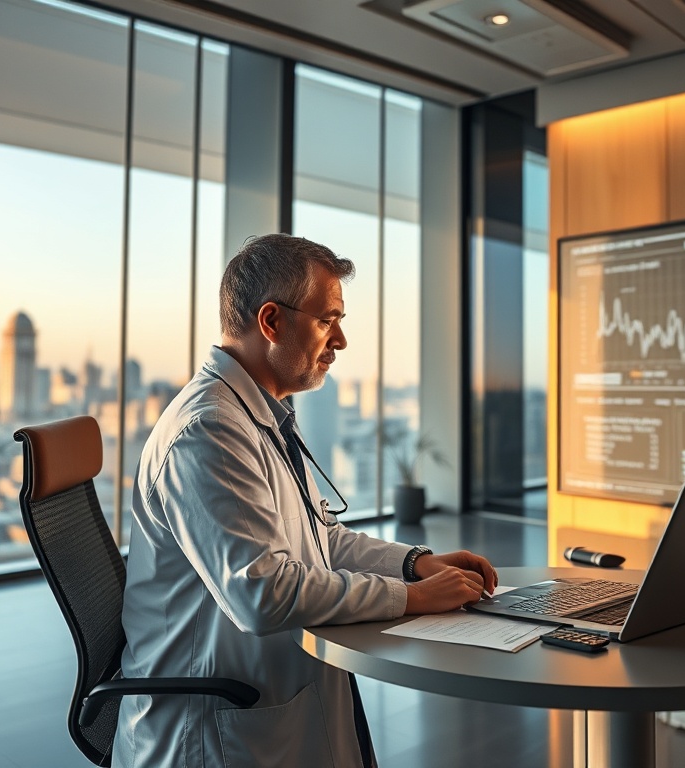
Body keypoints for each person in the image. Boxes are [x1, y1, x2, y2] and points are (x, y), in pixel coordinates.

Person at [114, 233, 498, 767]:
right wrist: (413, 598)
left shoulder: (259, 414)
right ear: (271, 321)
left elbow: (319, 538)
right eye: (327, 320)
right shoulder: (208, 432)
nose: (340, 341)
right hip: (214, 734)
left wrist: (415, 565)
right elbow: (263, 593)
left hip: (267, 699)